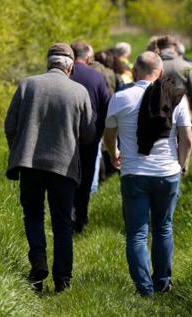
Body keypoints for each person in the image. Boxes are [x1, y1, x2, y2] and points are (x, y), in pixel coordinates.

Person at [4, 43, 95, 293]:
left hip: (29, 164)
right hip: (63, 168)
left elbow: (10, 125)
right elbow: (88, 134)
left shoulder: (28, 85)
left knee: (33, 214)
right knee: (63, 223)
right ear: (70, 67)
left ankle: (39, 260)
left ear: (48, 63)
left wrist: (19, 148)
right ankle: (62, 279)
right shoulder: (79, 92)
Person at [103, 51, 192, 296]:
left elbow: (108, 136)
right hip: (167, 173)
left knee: (137, 233)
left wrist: (115, 153)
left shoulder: (120, 98)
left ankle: (144, 290)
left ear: (134, 71)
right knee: (163, 228)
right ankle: (162, 282)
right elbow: (187, 138)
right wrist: (182, 164)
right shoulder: (177, 98)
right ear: (161, 72)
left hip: (134, 173)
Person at [70, 42, 110, 234]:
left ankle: (67, 214)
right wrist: (99, 131)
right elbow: (106, 106)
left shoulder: (65, 74)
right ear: (87, 58)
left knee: (66, 177)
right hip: (90, 136)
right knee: (85, 179)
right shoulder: (97, 77)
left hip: (64, 137)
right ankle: (81, 219)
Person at [152, 35, 192, 127]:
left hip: (158, 117)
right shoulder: (187, 66)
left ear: (158, 48)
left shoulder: (152, 67)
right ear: (175, 47)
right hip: (183, 116)